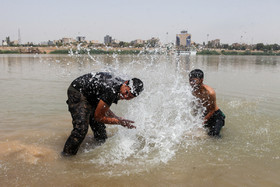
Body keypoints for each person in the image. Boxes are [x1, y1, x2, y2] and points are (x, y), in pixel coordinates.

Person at [62, 72, 144, 156]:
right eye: (126, 93)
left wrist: (115, 117)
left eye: (130, 97)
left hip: (93, 94)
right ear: (125, 83)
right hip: (78, 90)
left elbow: (103, 105)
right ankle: (66, 157)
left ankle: (96, 154)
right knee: (81, 129)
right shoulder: (112, 89)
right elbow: (98, 117)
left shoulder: (120, 88)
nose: (126, 97)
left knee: (101, 133)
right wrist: (119, 122)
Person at [189, 69, 225, 137]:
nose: (191, 83)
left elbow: (212, 110)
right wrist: (195, 120)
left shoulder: (210, 92)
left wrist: (201, 123)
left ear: (201, 80)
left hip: (216, 115)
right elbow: (195, 106)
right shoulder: (192, 91)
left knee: (214, 135)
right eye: (190, 80)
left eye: (193, 81)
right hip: (205, 113)